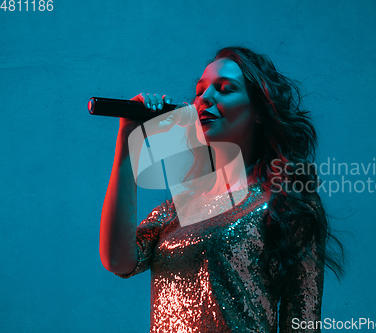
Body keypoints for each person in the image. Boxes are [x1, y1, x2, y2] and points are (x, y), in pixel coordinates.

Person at [99, 46, 344, 332]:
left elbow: (302, 323)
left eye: (225, 89)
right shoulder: (178, 209)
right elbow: (118, 260)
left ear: (260, 112)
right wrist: (129, 137)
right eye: (199, 91)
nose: (205, 99)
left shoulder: (285, 202)